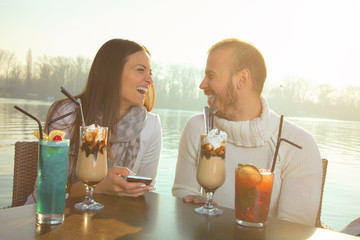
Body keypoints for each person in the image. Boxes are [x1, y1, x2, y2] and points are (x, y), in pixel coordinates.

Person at [172, 38, 322, 227]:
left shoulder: (298, 145)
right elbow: (182, 193)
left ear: (242, 79)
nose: (202, 84)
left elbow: (294, 231)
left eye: (211, 75)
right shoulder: (198, 128)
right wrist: (190, 203)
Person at [26, 38, 162, 203]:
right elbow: (45, 191)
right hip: (59, 218)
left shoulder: (151, 125)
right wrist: (99, 187)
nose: (150, 80)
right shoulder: (68, 114)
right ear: (112, 74)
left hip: (112, 224)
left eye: (150, 72)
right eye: (141, 70)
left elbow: (147, 192)